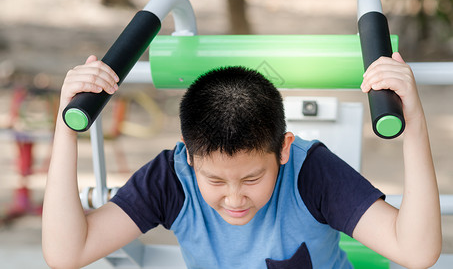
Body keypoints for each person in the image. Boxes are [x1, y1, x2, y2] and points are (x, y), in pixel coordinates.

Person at [42, 52, 441, 269]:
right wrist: (65, 128)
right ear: (189, 153)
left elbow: (416, 251)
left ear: (284, 149)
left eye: (252, 179)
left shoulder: (310, 171)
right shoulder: (173, 176)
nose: (234, 199)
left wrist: (416, 124)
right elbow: (67, 254)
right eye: (215, 181)